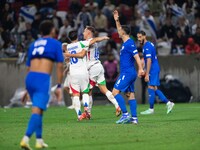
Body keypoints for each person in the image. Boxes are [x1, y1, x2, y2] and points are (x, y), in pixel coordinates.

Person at [20, 20, 64, 149]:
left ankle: (39, 140)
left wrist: (27, 89)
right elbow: (60, 66)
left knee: (38, 111)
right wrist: (59, 86)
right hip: (42, 79)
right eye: (54, 29)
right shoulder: (55, 43)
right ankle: (25, 139)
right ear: (51, 30)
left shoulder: (33, 44)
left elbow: (28, 68)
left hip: (30, 79)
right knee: (36, 111)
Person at [67, 26, 121, 117]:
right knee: (104, 89)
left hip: (92, 68)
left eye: (84, 31)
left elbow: (93, 41)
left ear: (88, 32)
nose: (83, 33)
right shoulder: (89, 42)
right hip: (98, 67)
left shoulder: (89, 42)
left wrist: (103, 38)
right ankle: (117, 105)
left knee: (87, 91)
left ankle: (87, 112)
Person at [64, 30, 109, 120]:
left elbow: (66, 59)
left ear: (69, 38)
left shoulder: (68, 47)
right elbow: (94, 40)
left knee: (75, 94)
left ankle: (79, 115)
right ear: (77, 36)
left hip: (73, 73)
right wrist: (103, 38)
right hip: (83, 72)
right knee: (85, 92)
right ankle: (86, 107)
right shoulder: (82, 44)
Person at [112, 10, 144, 124]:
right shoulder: (126, 42)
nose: (118, 31)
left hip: (128, 73)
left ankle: (125, 114)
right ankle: (134, 118)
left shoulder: (130, 43)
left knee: (115, 92)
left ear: (124, 33)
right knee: (130, 95)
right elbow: (120, 28)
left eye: (120, 31)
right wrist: (117, 20)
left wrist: (140, 68)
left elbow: (136, 57)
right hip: (128, 73)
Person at [137, 30, 175, 115]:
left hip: (153, 69)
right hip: (154, 68)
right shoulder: (149, 44)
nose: (139, 39)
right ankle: (169, 103)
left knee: (151, 87)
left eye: (140, 37)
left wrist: (146, 73)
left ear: (144, 36)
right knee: (154, 88)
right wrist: (143, 70)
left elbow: (149, 60)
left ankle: (151, 109)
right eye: (138, 37)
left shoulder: (146, 47)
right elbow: (147, 60)